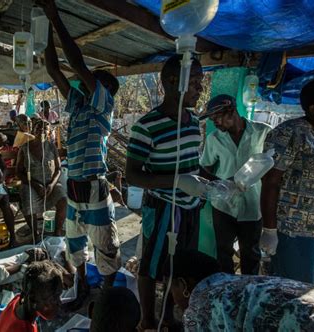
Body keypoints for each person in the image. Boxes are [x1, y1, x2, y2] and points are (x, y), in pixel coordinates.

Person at [40, 0, 121, 294]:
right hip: (75, 185)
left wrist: (54, 15)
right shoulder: (80, 106)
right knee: (75, 244)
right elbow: (53, 68)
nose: (83, 84)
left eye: (91, 82)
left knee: (106, 245)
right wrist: (45, 26)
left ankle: (108, 295)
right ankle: (84, 287)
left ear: (103, 89)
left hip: (95, 187)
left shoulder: (103, 105)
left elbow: (76, 64)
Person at [126, 55, 203, 330]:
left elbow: (195, 164)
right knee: (152, 265)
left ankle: (168, 316)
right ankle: (147, 320)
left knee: (179, 265)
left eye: (200, 82)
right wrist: (176, 182)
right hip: (162, 208)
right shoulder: (147, 126)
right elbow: (132, 174)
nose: (200, 90)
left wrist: (218, 183)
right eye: (194, 82)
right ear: (173, 82)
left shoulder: (193, 121)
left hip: (191, 206)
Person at [261, 77, 314, 283]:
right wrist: (269, 230)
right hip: (293, 230)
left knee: (306, 288)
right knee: (291, 290)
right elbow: (270, 182)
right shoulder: (290, 133)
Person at [199, 94, 271, 275]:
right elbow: (204, 169)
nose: (215, 123)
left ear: (232, 111)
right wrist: (220, 185)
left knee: (251, 254)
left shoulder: (262, 132)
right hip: (223, 205)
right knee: (223, 252)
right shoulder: (214, 139)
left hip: (252, 205)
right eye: (212, 119)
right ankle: (226, 289)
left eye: (218, 118)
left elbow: (273, 166)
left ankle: (247, 291)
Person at [170, 250, 314, 331]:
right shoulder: (239, 283)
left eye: (172, 288)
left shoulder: (201, 304)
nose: (173, 297)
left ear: (184, 284)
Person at [16, 119, 67, 238]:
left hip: (50, 184)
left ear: (49, 133)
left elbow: (59, 169)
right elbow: (19, 172)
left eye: (45, 129)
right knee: (26, 196)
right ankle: (35, 233)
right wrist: (35, 185)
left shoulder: (51, 147)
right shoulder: (24, 148)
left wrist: (51, 185)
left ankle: (57, 231)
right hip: (31, 184)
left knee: (63, 200)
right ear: (33, 131)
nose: (41, 131)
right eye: (38, 128)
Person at [0, 260, 65, 332]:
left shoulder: (19, 300)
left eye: (59, 296)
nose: (59, 302)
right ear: (33, 299)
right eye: (53, 299)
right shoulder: (23, 329)